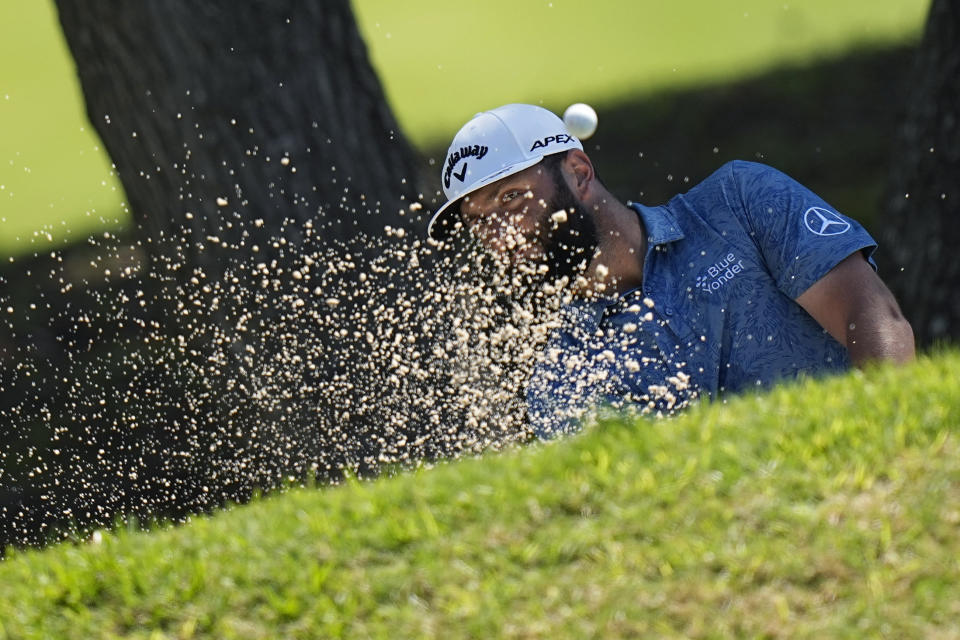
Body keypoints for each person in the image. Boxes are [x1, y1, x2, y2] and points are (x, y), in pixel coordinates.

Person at [427, 103, 915, 437]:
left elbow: (870, 316)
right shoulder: (561, 367)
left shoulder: (737, 202)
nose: (500, 231)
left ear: (577, 173)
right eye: (479, 220)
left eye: (512, 198)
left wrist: (886, 439)